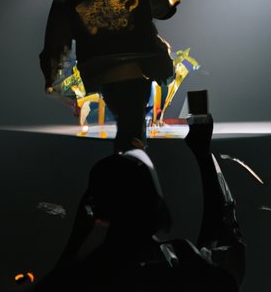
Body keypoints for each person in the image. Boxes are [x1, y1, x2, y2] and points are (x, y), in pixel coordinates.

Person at [33, 111, 245, 291]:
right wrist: (203, 154)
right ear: (155, 205)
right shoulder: (180, 263)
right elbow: (228, 255)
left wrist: (78, 241)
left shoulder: (83, 278)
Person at [39, 0, 180, 152]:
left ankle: (127, 165)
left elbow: (56, 30)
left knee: (128, 126)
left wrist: (51, 73)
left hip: (98, 67)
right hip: (137, 64)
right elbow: (168, 5)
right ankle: (131, 167)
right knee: (131, 129)